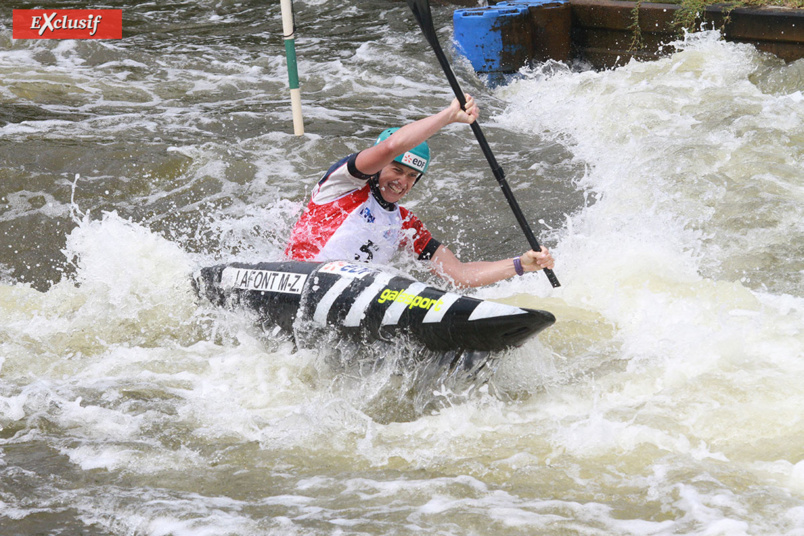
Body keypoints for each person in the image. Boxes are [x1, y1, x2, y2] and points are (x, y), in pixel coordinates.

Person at [285, 94, 554, 288]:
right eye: (397, 170)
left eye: (413, 176)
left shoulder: (405, 224)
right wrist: (448, 116)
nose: (402, 182)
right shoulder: (343, 184)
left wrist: (520, 265)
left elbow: (461, 275)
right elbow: (391, 148)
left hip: (343, 291)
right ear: (379, 166)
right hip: (296, 279)